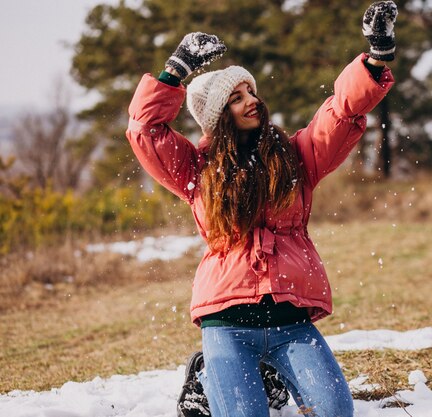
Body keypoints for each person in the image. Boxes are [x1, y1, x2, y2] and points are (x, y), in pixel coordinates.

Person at [125, 1, 397, 416]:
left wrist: (375, 59)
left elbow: (341, 112)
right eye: (236, 98)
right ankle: (205, 375)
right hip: (227, 323)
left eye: (250, 91)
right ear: (219, 117)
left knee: (335, 411)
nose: (251, 100)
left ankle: (268, 375)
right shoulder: (197, 171)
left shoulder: (295, 157)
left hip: (290, 323)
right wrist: (174, 71)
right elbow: (145, 130)